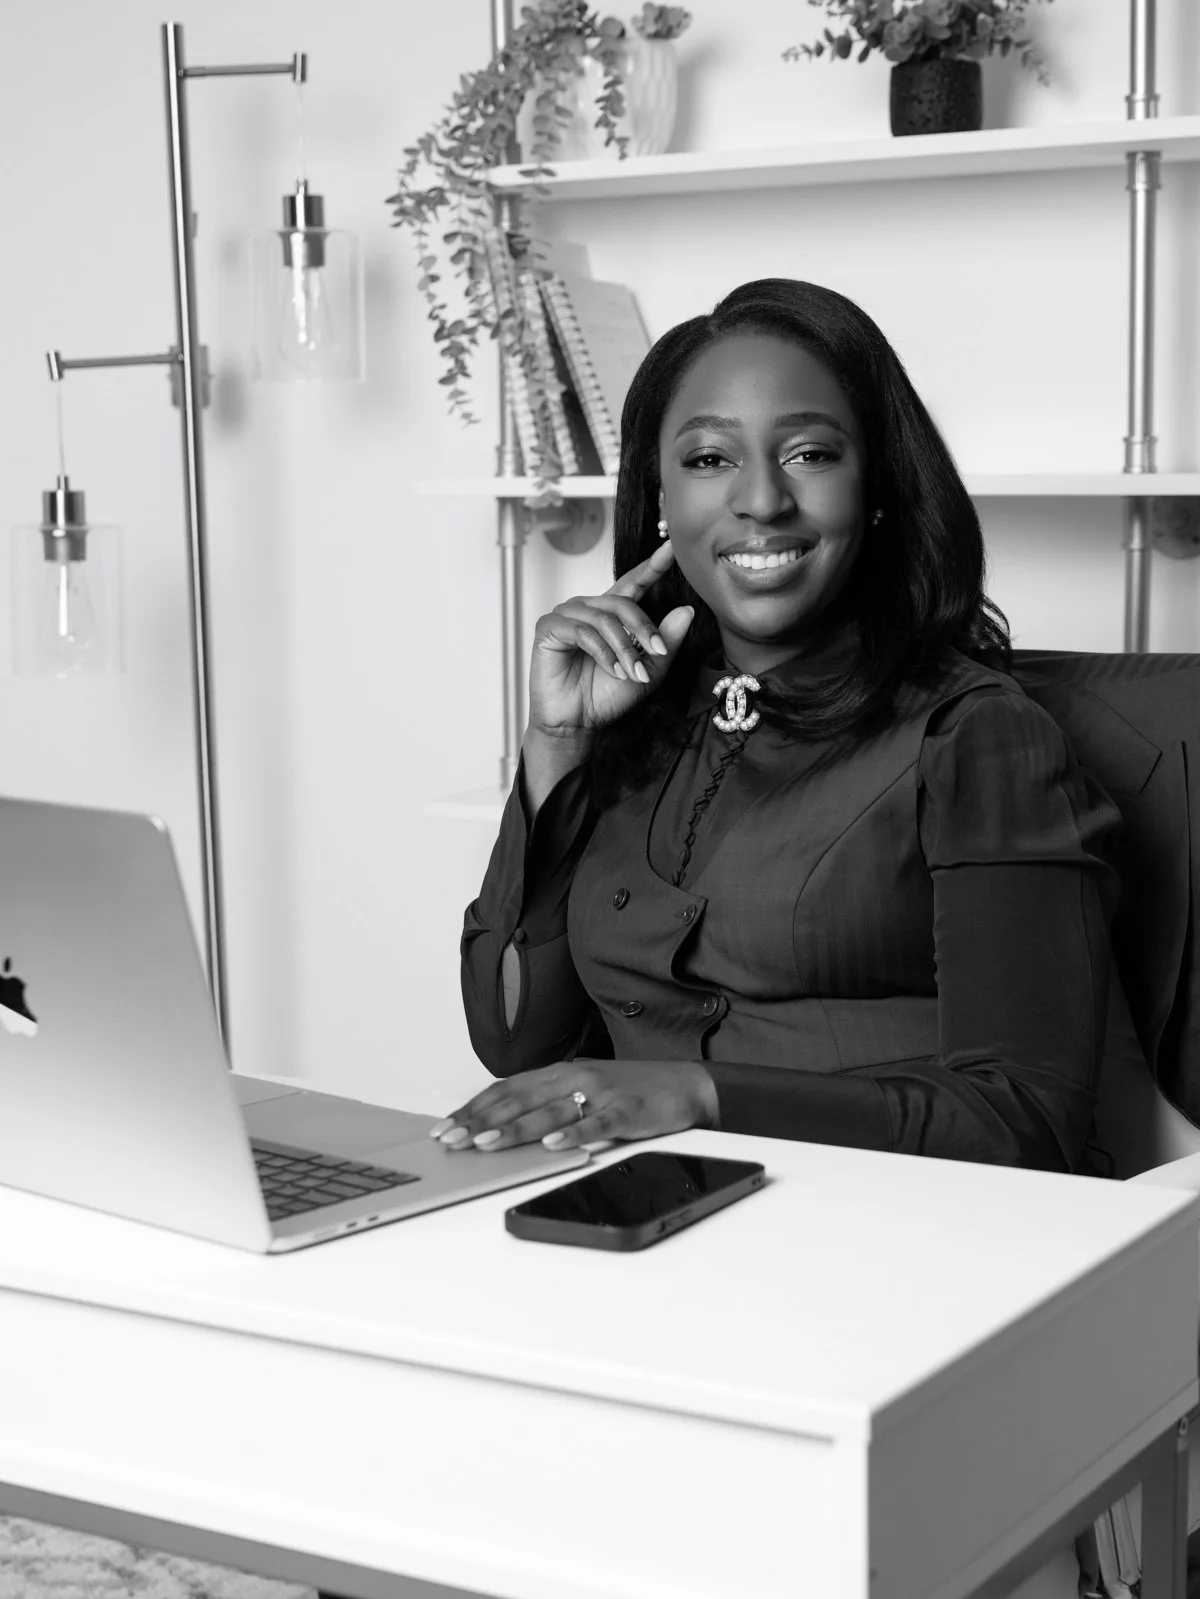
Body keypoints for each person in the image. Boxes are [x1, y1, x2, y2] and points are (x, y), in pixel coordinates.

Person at [439, 277, 1124, 1173]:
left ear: (877, 486)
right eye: (710, 460)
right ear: (659, 498)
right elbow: (514, 1040)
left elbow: (1027, 1117)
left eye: (809, 453)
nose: (761, 500)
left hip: (897, 1242)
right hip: (657, 1220)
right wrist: (558, 744)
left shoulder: (975, 736)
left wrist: (701, 1096)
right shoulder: (642, 715)